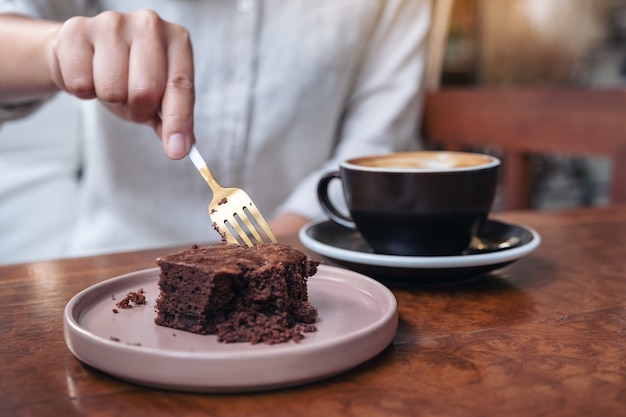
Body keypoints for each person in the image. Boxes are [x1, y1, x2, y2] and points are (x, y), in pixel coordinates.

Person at [0, 0, 431, 264]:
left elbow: (375, 145)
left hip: (301, 249)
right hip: (107, 264)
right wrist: (57, 49)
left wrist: (267, 254)